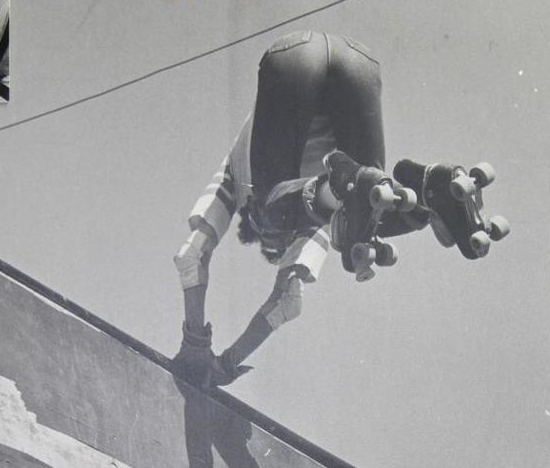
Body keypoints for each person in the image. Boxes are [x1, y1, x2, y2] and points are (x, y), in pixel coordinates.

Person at [172, 31, 508, 388]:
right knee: (368, 210)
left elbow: (193, 255)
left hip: (294, 59)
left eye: (274, 245)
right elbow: (286, 297)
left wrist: (199, 345)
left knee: (280, 208)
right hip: (358, 63)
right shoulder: (319, 214)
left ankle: (364, 189)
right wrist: (226, 362)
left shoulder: (237, 181)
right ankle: (430, 191)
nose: (282, 242)